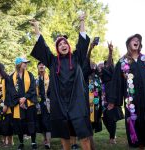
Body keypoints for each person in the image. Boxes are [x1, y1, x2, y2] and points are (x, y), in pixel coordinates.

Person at [30, 13, 92, 150]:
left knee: (84, 134)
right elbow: (42, 45)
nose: (63, 45)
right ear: (57, 49)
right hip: (60, 104)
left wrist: (82, 21)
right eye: (60, 44)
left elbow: (82, 42)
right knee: (65, 135)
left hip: (77, 102)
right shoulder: (52, 61)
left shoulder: (76, 58)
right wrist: (37, 28)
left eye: (65, 43)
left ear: (68, 46)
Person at [108, 34, 145, 148]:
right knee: (136, 124)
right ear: (128, 44)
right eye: (134, 40)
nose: (136, 41)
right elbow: (116, 82)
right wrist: (112, 100)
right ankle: (140, 146)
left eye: (138, 40)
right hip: (132, 101)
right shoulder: (123, 62)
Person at [98, 42, 123, 144]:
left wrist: (110, 52)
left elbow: (109, 63)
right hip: (101, 100)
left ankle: (112, 138)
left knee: (111, 118)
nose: (100, 66)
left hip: (110, 97)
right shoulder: (97, 77)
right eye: (99, 66)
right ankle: (112, 134)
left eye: (102, 65)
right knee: (104, 119)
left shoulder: (108, 73)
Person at [10, 57, 37, 150]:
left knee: (31, 123)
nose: (26, 64)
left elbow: (33, 88)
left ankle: (33, 142)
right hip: (17, 105)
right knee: (19, 124)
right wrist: (18, 100)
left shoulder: (30, 75)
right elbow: (11, 91)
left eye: (26, 62)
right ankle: (21, 143)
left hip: (29, 103)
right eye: (24, 62)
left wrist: (25, 98)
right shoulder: (12, 77)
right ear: (18, 64)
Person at [0, 63, 13, 147]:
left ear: (0, 68)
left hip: (5, 105)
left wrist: (6, 105)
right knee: (0, 124)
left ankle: (9, 142)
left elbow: (9, 93)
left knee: (7, 124)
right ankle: (4, 141)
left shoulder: (6, 78)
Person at [36, 62, 51, 149]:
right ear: (37, 67)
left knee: (47, 122)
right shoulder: (36, 78)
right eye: (40, 65)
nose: (41, 66)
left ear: (45, 67)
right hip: (39, 103)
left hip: (48, 102)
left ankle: (48, 142)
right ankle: (45, 139)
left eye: (43, 64)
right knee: (41, 122)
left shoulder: (49, 77)